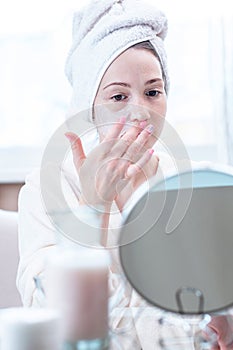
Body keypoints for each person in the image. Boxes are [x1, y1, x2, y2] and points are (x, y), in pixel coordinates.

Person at [16, 0, 233, 348]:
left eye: (153, 92)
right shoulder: (45, 192)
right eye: (118, 95)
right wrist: (92, 207)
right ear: (88, 107)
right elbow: (59, 321)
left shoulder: (194, 186)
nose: (140, 112)